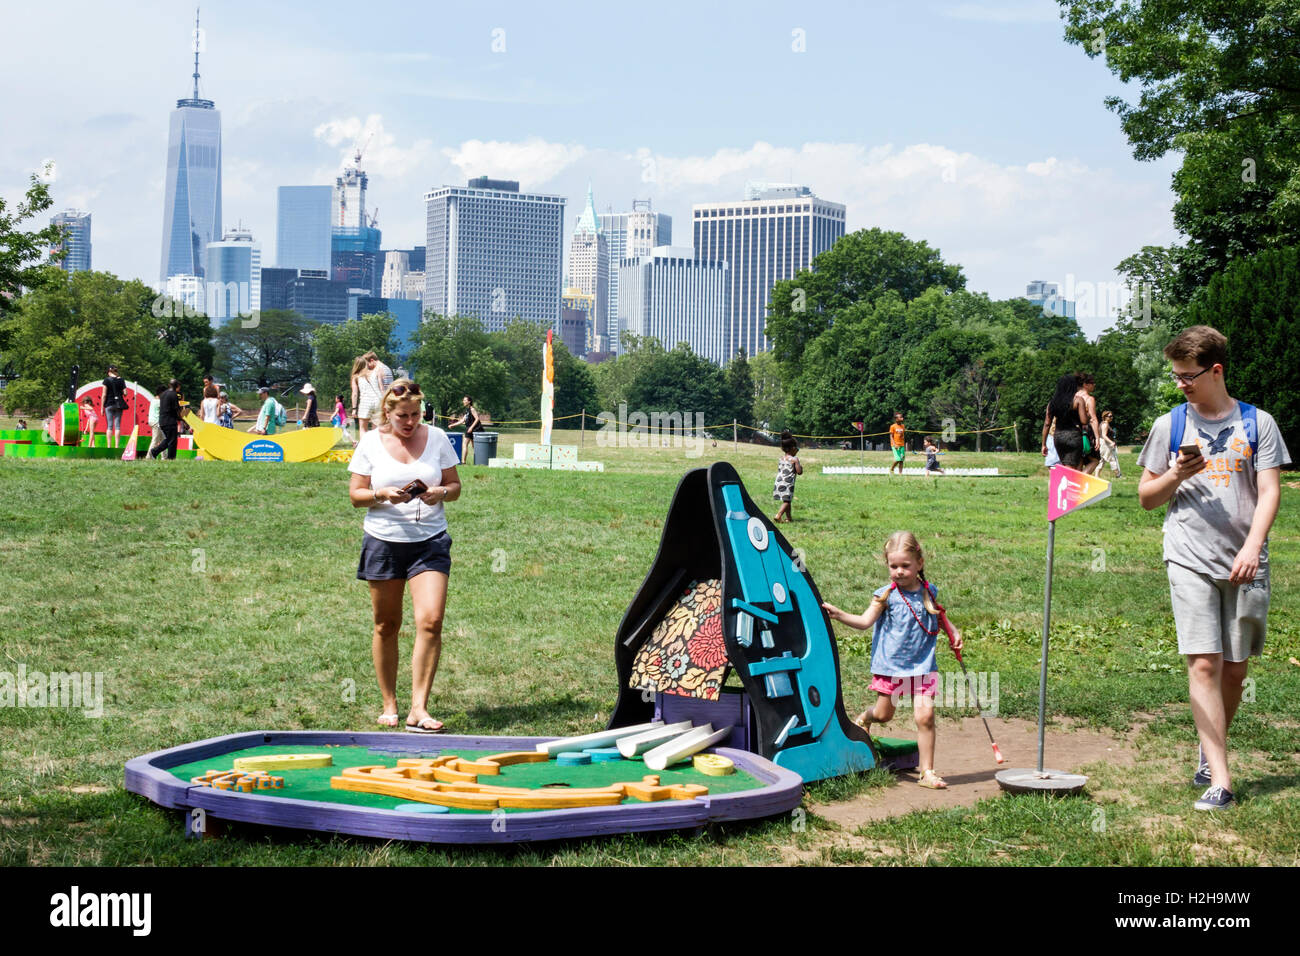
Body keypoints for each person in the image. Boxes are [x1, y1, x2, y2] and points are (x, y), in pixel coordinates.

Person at [1138, 325, 1290, 811]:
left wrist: (1253, 546)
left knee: (1235, 670)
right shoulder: (1170, 425)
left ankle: (1209, 748)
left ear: (1216, 370)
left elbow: (1269, 491)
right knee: (1204, 662)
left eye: (1188, 376)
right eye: (1177, 375)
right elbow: (1145, 498)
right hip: (1188, 555)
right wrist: (1175, 475)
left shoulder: (1258, 423)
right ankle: (1220, 780)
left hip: (1246, 560)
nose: (1180, 383)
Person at [348, 379, 462, 734]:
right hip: (383, 542)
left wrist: (440, 491)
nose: (410, 422)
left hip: (429, 542)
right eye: (402, 416)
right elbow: (356, 495)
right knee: (386, 625)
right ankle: (389, 703)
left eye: (415, 414)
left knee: (430, 620)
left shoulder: (438, 438)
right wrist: (381, 494)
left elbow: (455, 487)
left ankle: (419, 708)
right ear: (388, 412)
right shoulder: (370, 443)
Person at [821, 531, 962, 789]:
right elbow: (864, 622)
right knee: (884, 715)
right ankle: (865, 717)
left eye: (905, 566)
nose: (899, 571)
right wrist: (839, 614)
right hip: (891, 669)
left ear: (919, 563)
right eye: (893, 566)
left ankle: (927, 772)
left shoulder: (928, 591)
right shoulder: (885, 595)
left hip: (923, 667)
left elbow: (938, 614)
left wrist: (952, 630)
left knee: (926, 716)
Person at [1042, 373, 1088, 468]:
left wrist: (1043, 444)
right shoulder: (1078, 400)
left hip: (1058, 436)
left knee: (1065, 463)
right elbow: (1084, 421)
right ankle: (1065, 482)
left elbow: (1047, 424)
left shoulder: (1052, 403)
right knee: (1071, 467)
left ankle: (1066, 481)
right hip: (1073, 435)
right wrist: (1089, 416)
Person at [772, 430, 803, 522]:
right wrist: (800, 465)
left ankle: (789, 518)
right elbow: (799, 472)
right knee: (787, 501)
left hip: (778, 482)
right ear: (793, 448)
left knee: (787, 500)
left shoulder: (781, 458)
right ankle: (779, 515)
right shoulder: (794, 459)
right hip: (788, 483)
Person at [146, 379, 181, 459]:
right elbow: (176, 409)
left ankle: (154, 451)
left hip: (162, 421)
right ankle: (171, 458)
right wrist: (181, 418)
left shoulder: (163, 394)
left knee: (168, 439)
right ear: (177, 386)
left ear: (169, 385)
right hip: (170, 420)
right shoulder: (173, 394)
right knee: (172, 441)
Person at [448, 396, 483, 465]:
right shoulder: (467, 411)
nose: (463, 401)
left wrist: (471, 428)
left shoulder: (472, 409)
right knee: (474, 446)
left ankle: (463, 462)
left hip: (474, 429)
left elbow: (477, 419)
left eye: (465, 400)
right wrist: (453, 425)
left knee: (465, 444)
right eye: (463, 400)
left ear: (469, 401)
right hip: (470, 429)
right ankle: (479, 461)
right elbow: (462, 420)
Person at [354, 356, 383, 435]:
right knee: (376, 429)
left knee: (363, 428)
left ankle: (364, 447)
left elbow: (355, 394)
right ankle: (375, 446)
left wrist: (354, 408)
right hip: (378, 401)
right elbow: (381, 388)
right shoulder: (376, 372)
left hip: (365, 402)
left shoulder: (356, 376)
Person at [101, 364, 128, 449]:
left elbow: (104, 395)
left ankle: (109, 446)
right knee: (117, 426)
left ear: (109, 372)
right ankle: (116, 446)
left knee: (109, 426)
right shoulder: (121, 380)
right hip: (118, 404)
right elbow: (125, 393)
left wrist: (102, 407)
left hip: (109, 404)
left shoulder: (106, 380)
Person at [1092, 410, 1122, 478]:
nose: (1112, 417)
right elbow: (1104, 435)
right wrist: (1112, 442)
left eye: (1112, 416)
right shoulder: (1105, 424)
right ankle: (1118, 474)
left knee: (1102, 460)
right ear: (1105, 417)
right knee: (1111, 459)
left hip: (1103, 443)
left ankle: (1096, 476)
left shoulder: (1103, 423)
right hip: (1105, 444)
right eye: (1110, 416)